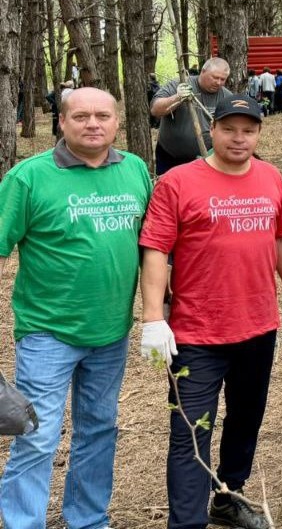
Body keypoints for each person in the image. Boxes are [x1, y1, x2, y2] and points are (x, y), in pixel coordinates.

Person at [138, 94, 282, 529]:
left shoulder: (270, 178)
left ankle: (229, 495)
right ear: (212, 130)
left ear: (258, 134)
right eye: (229, 128)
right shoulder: (178, 182)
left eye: (248, 130)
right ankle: (188, 522)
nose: (238, 138)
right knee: (191, 432)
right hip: (195, 334)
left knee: (246, 419)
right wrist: (153, 317)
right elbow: (156, 247)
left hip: (256, 327)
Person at [0, 88, 152, 529]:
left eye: (103, 115)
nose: (93, 124)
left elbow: (153, 246)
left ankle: (87, 519)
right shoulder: (29, 178)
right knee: (38, 435)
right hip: (48, 332)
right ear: (61, 122)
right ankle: (24, 522)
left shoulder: (136, 171)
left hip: (111, 331)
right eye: (81, 115)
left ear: (117, 122)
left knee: (100, 429)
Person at [150, 58, 233, 175]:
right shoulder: (179, 84)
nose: (218, 82)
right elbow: (155, 109)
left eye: (222, 79)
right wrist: (177, 97)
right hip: (169, 157)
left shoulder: (227, 97)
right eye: (215, 77)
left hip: (206, 159)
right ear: (203, 71)